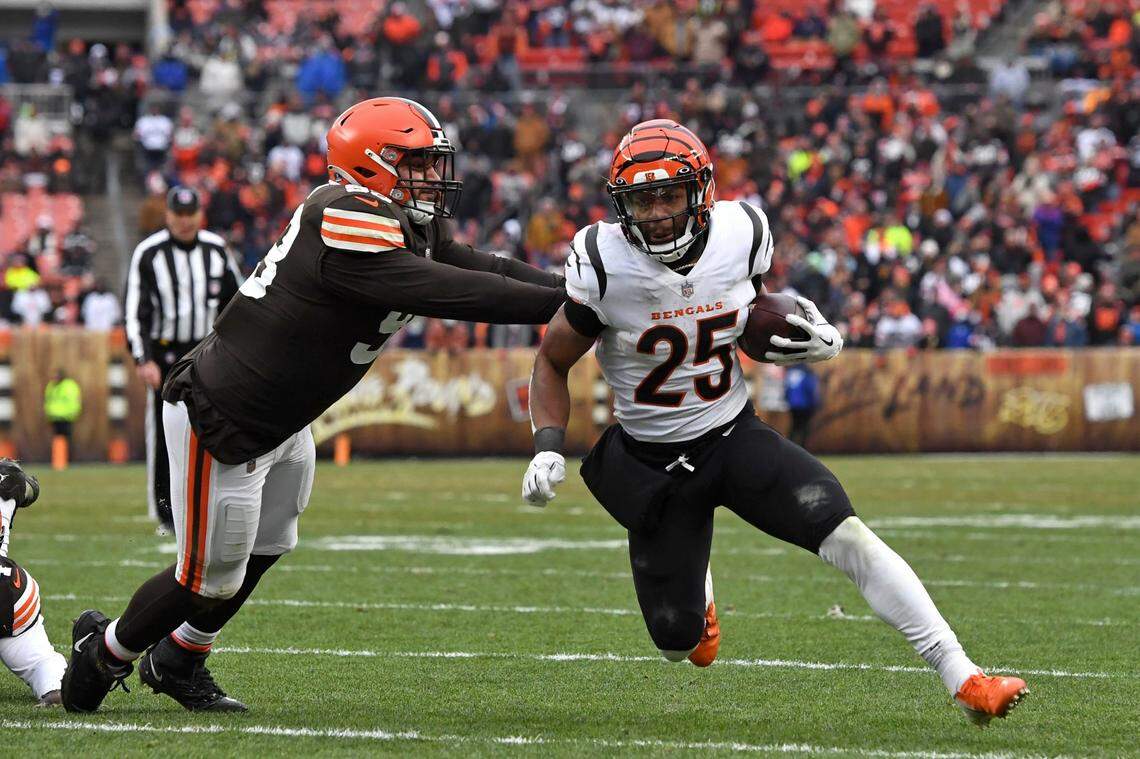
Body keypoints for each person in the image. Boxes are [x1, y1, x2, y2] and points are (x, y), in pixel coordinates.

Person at [61, 97, 566, 714]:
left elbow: (475, 263)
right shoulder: (344, 214)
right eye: (417, 163)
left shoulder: (397, 217)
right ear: (371, 166)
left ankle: (180, 658)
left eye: (434, 162)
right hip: (225, 415)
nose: (433, 176)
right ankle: (104, 653)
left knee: (272, 539)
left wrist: (574, 291)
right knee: (208, 575)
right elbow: (449, 291)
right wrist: (566, 311)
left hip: (283, 416)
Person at [521, 119, 1028, 727]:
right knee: (677, 643)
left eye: (669, 195)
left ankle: (964, 676)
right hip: (653, 464)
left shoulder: (744, 231)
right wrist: (547, 445)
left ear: (700, 194)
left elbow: (753, 311)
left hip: (733, 435)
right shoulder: (603, 263)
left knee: (848, 536)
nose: (655, 213)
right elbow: (552, 359)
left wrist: (807, 338)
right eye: (640, 198)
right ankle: (699, 595)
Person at [124, 187, 242, 534]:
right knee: (164, 433)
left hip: (208, 350)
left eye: (191, 214)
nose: (185, 221)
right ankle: (165, 513)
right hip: (166, 354)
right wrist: (143, 358)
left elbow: (237, 301)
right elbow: (135, 312)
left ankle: (212, 506)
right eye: (179, 214)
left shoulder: (216, 250)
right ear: (169, 215)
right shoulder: (149, 253)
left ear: (199, 215)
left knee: (215, 428)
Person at [0, 459, 66, 706]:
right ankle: (54, 686)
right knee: (42, 662)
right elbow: (17, 481)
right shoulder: (8, 479)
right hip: (9, 590)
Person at [43, 368, 82, 451]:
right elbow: (48, 400)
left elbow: (75, 400)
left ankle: (68, 458)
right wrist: (48, 412)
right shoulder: (51, 386)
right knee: (57, 439)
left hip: (67, 417)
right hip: (54, 417)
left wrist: (74, 412)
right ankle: (59, 458)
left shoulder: (69, 385)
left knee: (67, 439)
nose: (55, 377)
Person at [783, 363, 819, 448]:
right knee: (805, 428)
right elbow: (810, 389)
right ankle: (803, 449)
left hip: (793, 405)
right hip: (805, 405)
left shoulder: (790, 371)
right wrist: (815, 403)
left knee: (794, 427)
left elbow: (786, 389)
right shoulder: (807, 372)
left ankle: (789, 447)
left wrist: (788, 400)